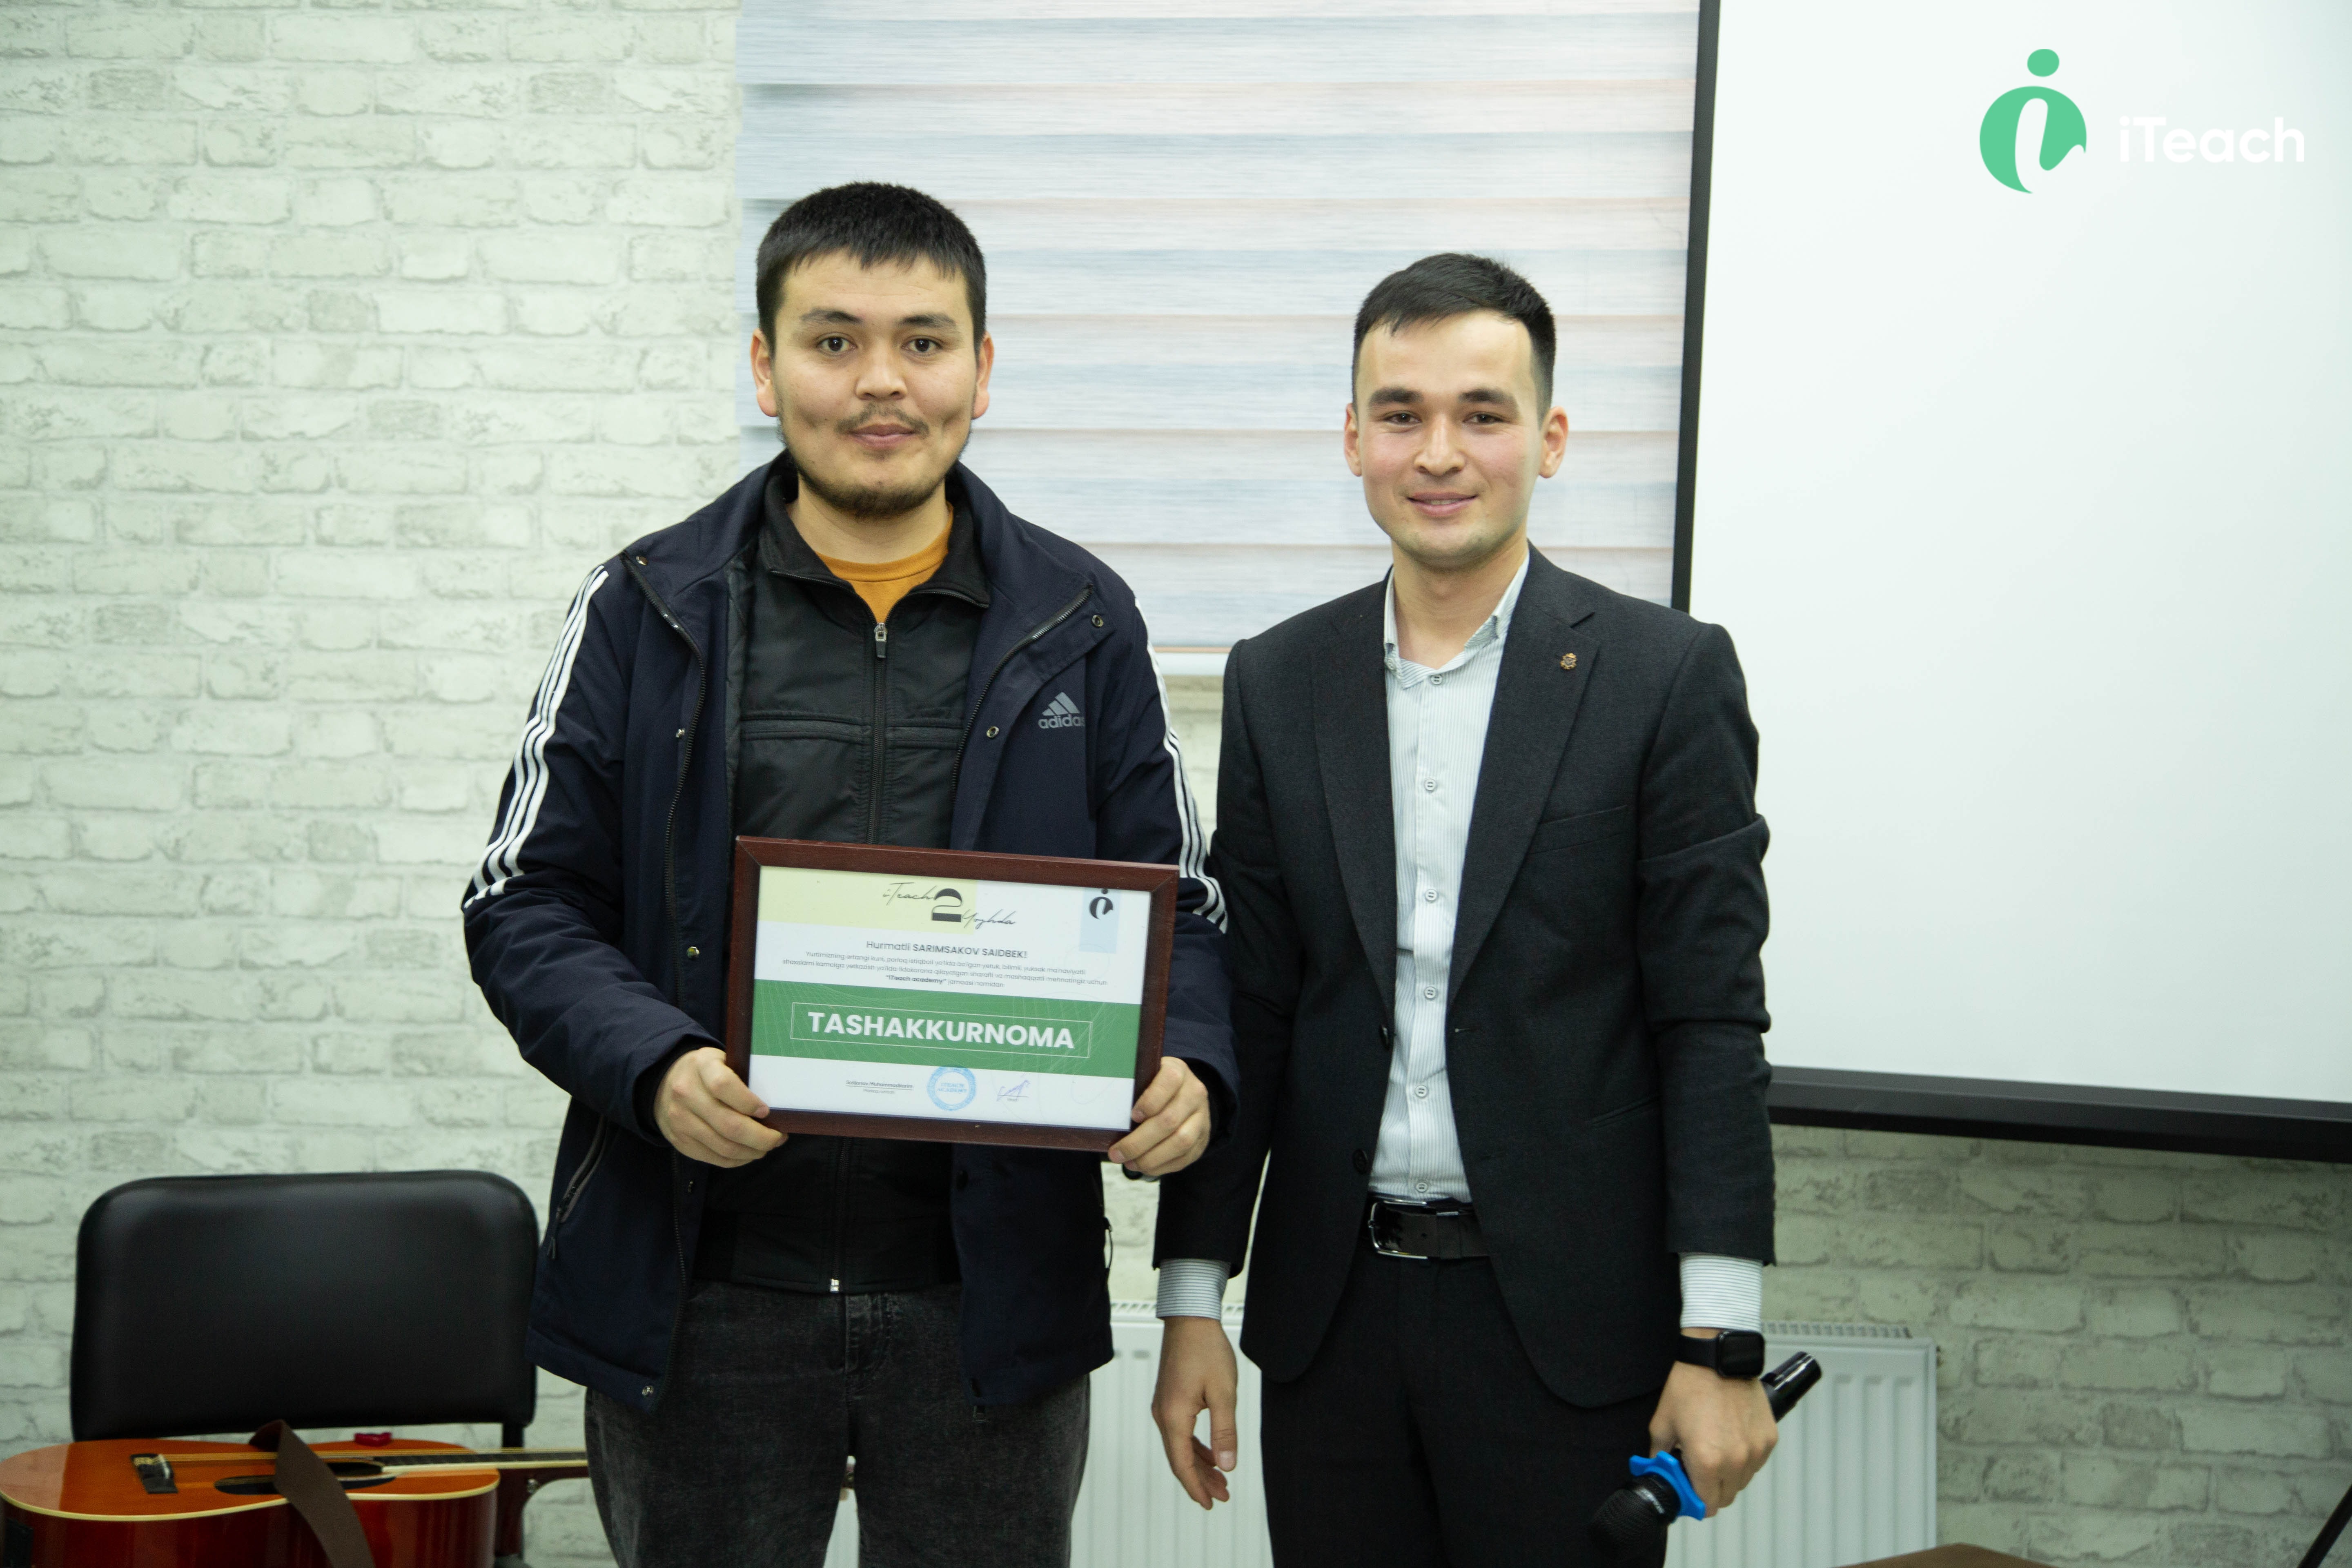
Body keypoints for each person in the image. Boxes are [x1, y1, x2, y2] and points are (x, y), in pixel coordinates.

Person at [463, 182, 1235, 1568]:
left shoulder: (1083, 617)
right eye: (834, 341)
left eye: (923, 343)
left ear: (981, 372)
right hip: (706, 1295)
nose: (882, 381)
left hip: (986, 1301)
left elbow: (1180, 901)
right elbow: (523, 898)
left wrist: (1187, 1061)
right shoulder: (645, 606)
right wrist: (653, 1065)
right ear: (766, 368)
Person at [1147, 253, 1777, 1566]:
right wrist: (1191, 1298)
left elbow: (1710, 1019)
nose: (1439, 453)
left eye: (1483, 414)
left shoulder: (1665, 678)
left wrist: (1719, 1340)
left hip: (1566, 1331)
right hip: (1332, 1327)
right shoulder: (1278, 679)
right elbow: (1253, 1007)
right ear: (1353, 439)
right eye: (1402, 414)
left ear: (1550, 438)